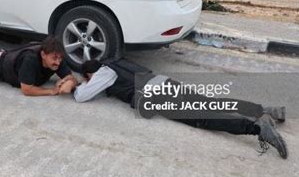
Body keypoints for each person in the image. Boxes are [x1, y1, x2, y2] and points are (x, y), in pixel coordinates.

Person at [74, 59, 288, 159]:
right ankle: (266, 109)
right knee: (211, 103)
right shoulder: (117, 61)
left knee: (202, 118)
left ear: (89, 75)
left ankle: (258, 128)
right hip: (164, 82)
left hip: (155, 95)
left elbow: (83, 96)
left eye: (88, 79)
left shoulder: (102, 73)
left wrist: (76, 86)